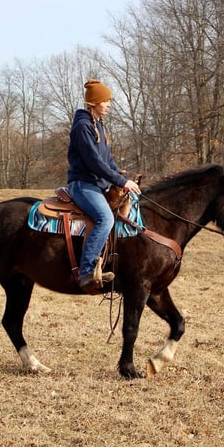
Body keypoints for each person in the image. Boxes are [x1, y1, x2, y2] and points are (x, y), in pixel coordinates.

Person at [67, 79, 141, 294]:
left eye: (109, 101)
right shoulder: (83, 127)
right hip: (83, 185)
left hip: (97, 185)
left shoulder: (99, 124)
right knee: (105, 218)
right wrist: (120, 181)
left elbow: (107, 161)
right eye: (105, 101)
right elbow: (94, 163)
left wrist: (122, 178)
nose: (109, 105)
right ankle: (86, 272)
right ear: (94, 102)